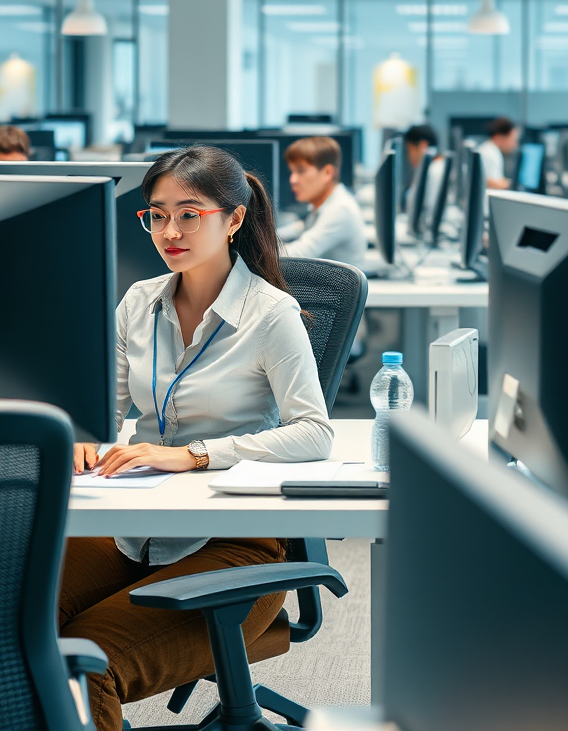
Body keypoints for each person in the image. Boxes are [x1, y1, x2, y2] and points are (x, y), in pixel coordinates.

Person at [60, 145, 333, 731]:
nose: (169, 231)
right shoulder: (138, 303)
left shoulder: (270, 313)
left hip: (233, 543)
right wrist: (84, 434)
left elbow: (314, 432)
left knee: (82, 665)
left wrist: (195, 455)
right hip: (132, 528)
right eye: (156, 215)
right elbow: (99, 412)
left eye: (190, 213)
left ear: (233, 219)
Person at [281, 135, 367, 269]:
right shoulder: (324, 204)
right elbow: (299, 228)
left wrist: (252, 252)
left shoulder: (340, 209)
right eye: (292, 172)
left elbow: (297, 254)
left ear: (327, 173)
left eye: (301, 171)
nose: (293, 180)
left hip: (337, 289)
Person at [403, 123, 446, 231]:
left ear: (422, 146)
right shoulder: (428, 170)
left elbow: (430, 216)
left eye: (409, 150)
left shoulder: (435, 172)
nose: (408, 156)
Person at [477, 117, 520, 190]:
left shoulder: (490, 149)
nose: (515, 145)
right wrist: (516, 184)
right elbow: (492, 183)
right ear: (499, 137)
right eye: (512, 140)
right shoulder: (490, 154)